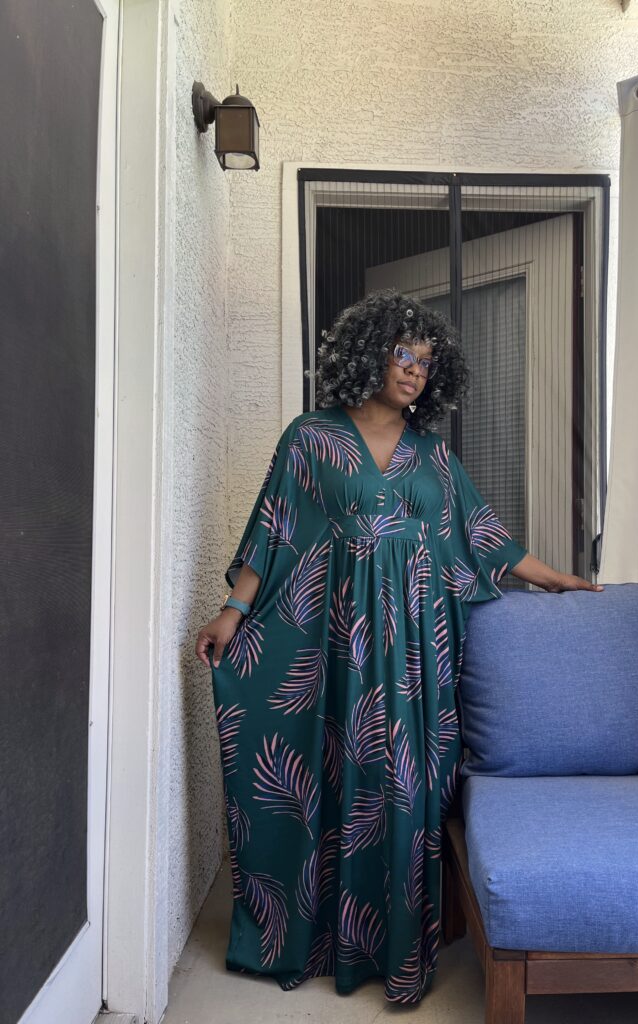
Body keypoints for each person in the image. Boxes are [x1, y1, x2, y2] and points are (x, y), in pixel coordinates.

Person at [195, 288, 602, 1004]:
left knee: (404, 783)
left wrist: (559, 579)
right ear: (367, 355)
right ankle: (318, 935)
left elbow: (484, 536)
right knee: (326, 771)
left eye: (426, 360)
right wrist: (233, 611)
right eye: (402, 354)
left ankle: (394, 946)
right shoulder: (310, 438)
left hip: (416, 647)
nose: (414, 369)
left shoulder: (433, 457)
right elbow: (275, 530)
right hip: (332, 641)